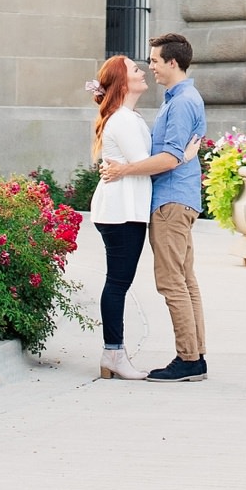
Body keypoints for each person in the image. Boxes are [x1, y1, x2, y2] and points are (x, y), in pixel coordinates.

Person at [99, 31, 208, 381]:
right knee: (184, 280)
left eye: (155, 61)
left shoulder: (181, 102)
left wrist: (123, 169)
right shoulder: (177, 99)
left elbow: (168, 157)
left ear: (172, 62)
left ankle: (188, 359)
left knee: (171, 282)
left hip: (171, 201)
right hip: (176, 198)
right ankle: (196, 356)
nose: (151, 67)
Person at [88, 54, 153, 380]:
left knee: (117, 283)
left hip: (121, 209)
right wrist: (182, 156)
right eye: (136, 70)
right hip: (121, 211)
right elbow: (144, 162)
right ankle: (113, 353)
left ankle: (113, 352)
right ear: (124, 83)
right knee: (117, 284)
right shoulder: (123, 120)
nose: (144, 72)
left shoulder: (126, 116)